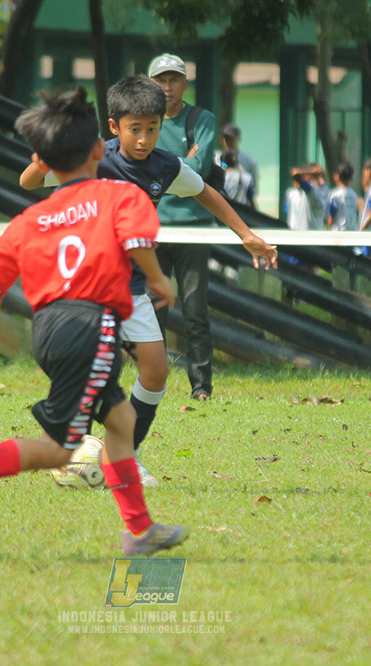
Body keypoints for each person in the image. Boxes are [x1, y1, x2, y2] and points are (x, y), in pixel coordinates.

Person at [0, 87, 188, 557]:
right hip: (92, 328)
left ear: (42, 160)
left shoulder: (32, 216)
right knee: (62, 449)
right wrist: (159, 279)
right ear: (99, 150)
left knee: (121, 420)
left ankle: (140, 532)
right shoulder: (120, 194)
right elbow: (136, 236)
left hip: (50, 330)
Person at [20, 75, 277, 485]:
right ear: (113, 126)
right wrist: (44, 157)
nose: (143, 139)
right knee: (93, 372)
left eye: (152, 129)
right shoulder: (91, 158)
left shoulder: (165, 166)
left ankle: (125, 455)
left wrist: (246, 235)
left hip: (132, 285)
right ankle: (73, 446)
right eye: (134, 129)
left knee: (156, 370)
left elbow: (206, 192)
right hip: (84, 289)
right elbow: (29, 182)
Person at [148, 53, 221, 400]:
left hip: (194, 229)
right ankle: (153, 383)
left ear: (184, 84)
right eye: (160, 80)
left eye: (173, 79)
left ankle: (201, 387)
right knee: (152, 310)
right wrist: (182, 164)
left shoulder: (201, 119)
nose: (167, 87)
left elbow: (201, 167)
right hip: (152, 231)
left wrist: (160, 168)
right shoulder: (145, 121)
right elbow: (141, 165)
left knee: (195, 310)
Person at [219, 122, 260, 196]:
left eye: (231, 139)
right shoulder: (216, 157)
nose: (227, 142)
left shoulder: (249, 160)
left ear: (238, 138)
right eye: (225, 138)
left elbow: (254, 187)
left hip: (241, 202)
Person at [327, 161, 360, 232]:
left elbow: (331, 215)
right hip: (352, 230)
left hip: (338, 231)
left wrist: (328, 227)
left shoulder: (335, 195)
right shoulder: (354, 195)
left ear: (336, 177)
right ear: (351, 178)